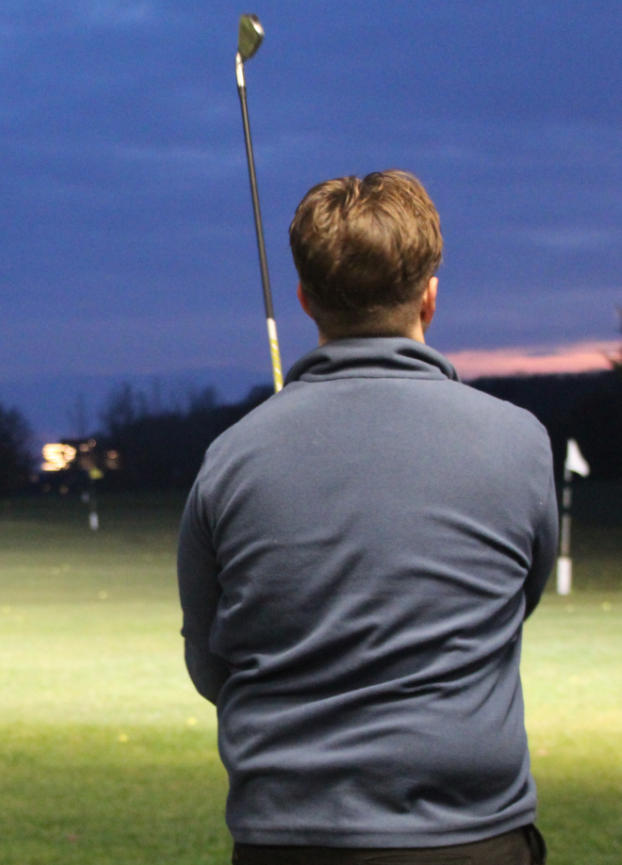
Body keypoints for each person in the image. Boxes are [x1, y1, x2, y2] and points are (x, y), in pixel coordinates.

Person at [177, 170, 555, 865]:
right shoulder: (518, 441)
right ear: (429, 297)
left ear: (305, 300)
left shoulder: (230, 456)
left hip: (285, 841)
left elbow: (211, 664)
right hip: (474, 841)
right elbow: (510, 606)